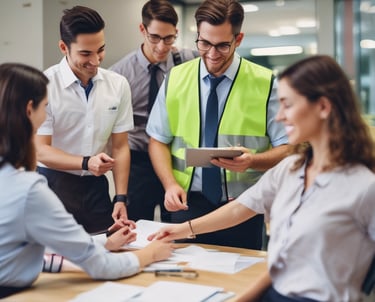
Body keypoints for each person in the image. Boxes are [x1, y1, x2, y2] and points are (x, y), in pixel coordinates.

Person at [149, 55, 375, 302]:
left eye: (287, 105)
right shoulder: (290, 169)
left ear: (323, 107)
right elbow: (241, 210)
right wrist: (181, 230)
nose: (279, 117)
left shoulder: (363, 187)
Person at [0, 62, 173, 298]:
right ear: (30, 110)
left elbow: (20, 252)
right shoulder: (28, 189)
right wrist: (151, 253)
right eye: (45, 107)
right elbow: (103, 267)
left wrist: (102, 244)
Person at [146, 0, 289, 249]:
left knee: (242, 282)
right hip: (187, 205)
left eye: (223, 45)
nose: (212, 54)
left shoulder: (266, 84)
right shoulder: (175, 79)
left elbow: (289, 148)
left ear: (239, 38)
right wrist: (169, 184)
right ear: (197, 36)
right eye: (204, 43)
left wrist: (252, 161)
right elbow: (158, 140)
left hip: (243, 207)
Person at [35, 6, 134, 233]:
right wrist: (86, 161)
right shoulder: (44, 85)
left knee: (105, 251)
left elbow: (120, 147)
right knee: (54, 262)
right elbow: (41, 150)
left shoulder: (118, 85)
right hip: (53, 186)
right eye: (85, 53)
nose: (96, 61)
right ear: (63, 47)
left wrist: (120, 197)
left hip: (96, 189)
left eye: (100, 50)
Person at [109, 0, 198, 223]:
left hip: (177, 160)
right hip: (138, 163)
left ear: (176, 33)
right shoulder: (120, 75)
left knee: (179, 226)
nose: (161, 46)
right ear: (143, 30)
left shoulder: (190, 61)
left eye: (169, 38)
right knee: (137, 226)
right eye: (155, 37)